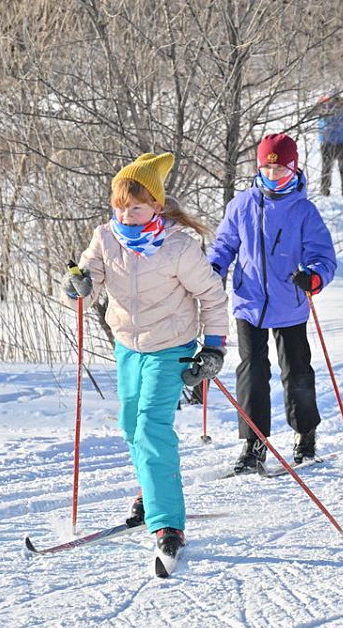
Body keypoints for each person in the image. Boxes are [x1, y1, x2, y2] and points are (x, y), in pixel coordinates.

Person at [63, 152, 229, 561]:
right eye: (120, 207)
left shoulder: (178, 248)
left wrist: (213, 347)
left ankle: (168, 523)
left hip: (170, 345)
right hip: (128, 346)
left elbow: (212, 296)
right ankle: (149, 491)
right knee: (129, 425)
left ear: (156, 205)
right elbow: (89, 280)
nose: (127, 215)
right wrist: (77, 285)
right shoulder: (106, 237)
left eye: (136, 207)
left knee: (152, 428)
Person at [208, 133, 337, 474]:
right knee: (252, 370)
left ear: (293, 170)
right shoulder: (241, 205)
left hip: (289, 302)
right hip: (249, 302)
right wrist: (214, 269)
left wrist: (313, 277)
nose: (273, 177)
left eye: (280, 172)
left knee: (296, 371)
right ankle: (253, 444)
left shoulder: (304, 211)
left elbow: (323, 256)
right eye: (267, 170)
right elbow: (224, 244)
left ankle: (305, 435)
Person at [315, 92, 343, 200]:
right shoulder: (321, 105)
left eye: (335, 99)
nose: (333, 102)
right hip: (326, 141)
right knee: (326, 168)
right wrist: (323, 108)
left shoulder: (342, 103)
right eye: (330, 99)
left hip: (341, 141)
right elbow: (310, 113)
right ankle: (324, 191)